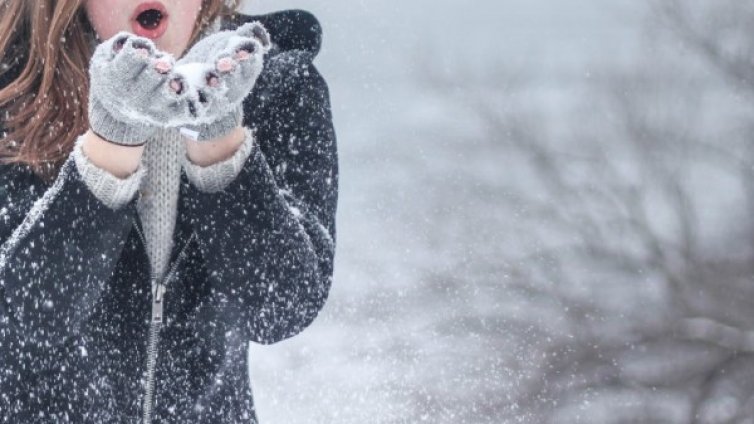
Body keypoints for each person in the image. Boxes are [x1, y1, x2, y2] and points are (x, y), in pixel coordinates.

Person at [0, 0, 338, 422]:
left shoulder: (278, 85)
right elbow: (23, 319)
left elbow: (282, 308)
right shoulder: (13, 89)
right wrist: (111, 144)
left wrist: (219, 144)